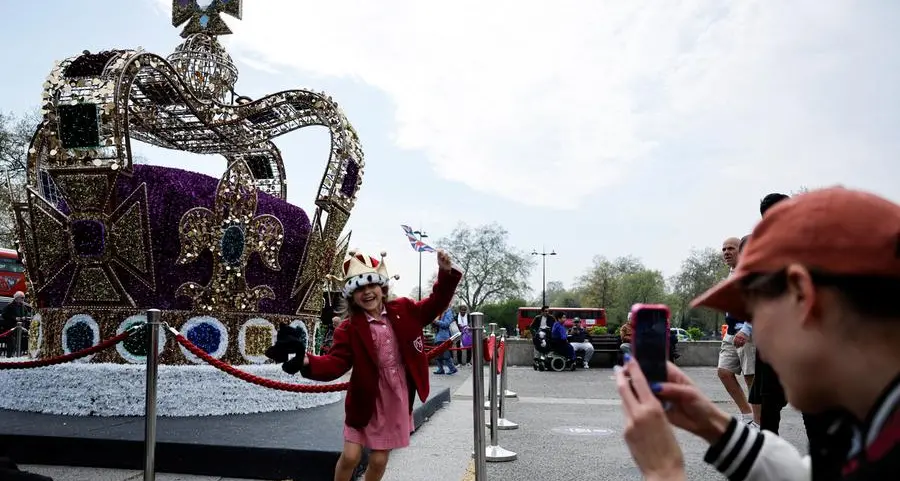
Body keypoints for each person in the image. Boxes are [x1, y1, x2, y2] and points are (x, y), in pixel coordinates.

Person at [616, 187, 900, 481]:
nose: (758, 339)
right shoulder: (861, 424)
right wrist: (710, 423)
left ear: (802, 297)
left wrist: (665, 471)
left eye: (754, 312)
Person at [276, 249, 462, 481]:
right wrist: (306, 360)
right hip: (365, 398)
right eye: (359, 289)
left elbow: (437, 303)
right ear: (351, 297)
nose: (366, 293)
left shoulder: (405, 309)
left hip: (395, 397)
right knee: (351, 456)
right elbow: (335, 363)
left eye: (370, 286)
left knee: (379, 459)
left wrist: (445, 274)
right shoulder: (349, 327)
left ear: (382, 288)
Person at [716, 237, 758, 427]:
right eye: (724, 249)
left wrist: (747, 329)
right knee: (724, 372)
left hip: (747, 332)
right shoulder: (732, 273)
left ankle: (758, 422)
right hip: (731, 331)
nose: (726, 252)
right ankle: (747, 415)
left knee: (751, 377)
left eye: (731, 248)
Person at [1, 292, 31, 357]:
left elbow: (27, 314)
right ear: (17, 298)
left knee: (20, 342)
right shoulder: (9, 305)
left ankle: (19, 355)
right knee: (11, 342)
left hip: (20, 327)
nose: (23, 299)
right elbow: (4, 314)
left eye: (24, 298)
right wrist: (14, 318)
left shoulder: (23, 306)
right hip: (10, 327)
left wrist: (24, 317)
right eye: (22, 298)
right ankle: (9, 356)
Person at [432, 307, 459, 375]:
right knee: (437, 354)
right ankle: (440, 369)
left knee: (446, 354)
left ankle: (452, 368)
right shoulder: (440, 312)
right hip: (438, 336)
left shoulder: (448, 312)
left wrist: (435, 321)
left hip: (444, 336)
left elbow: (446, 324)